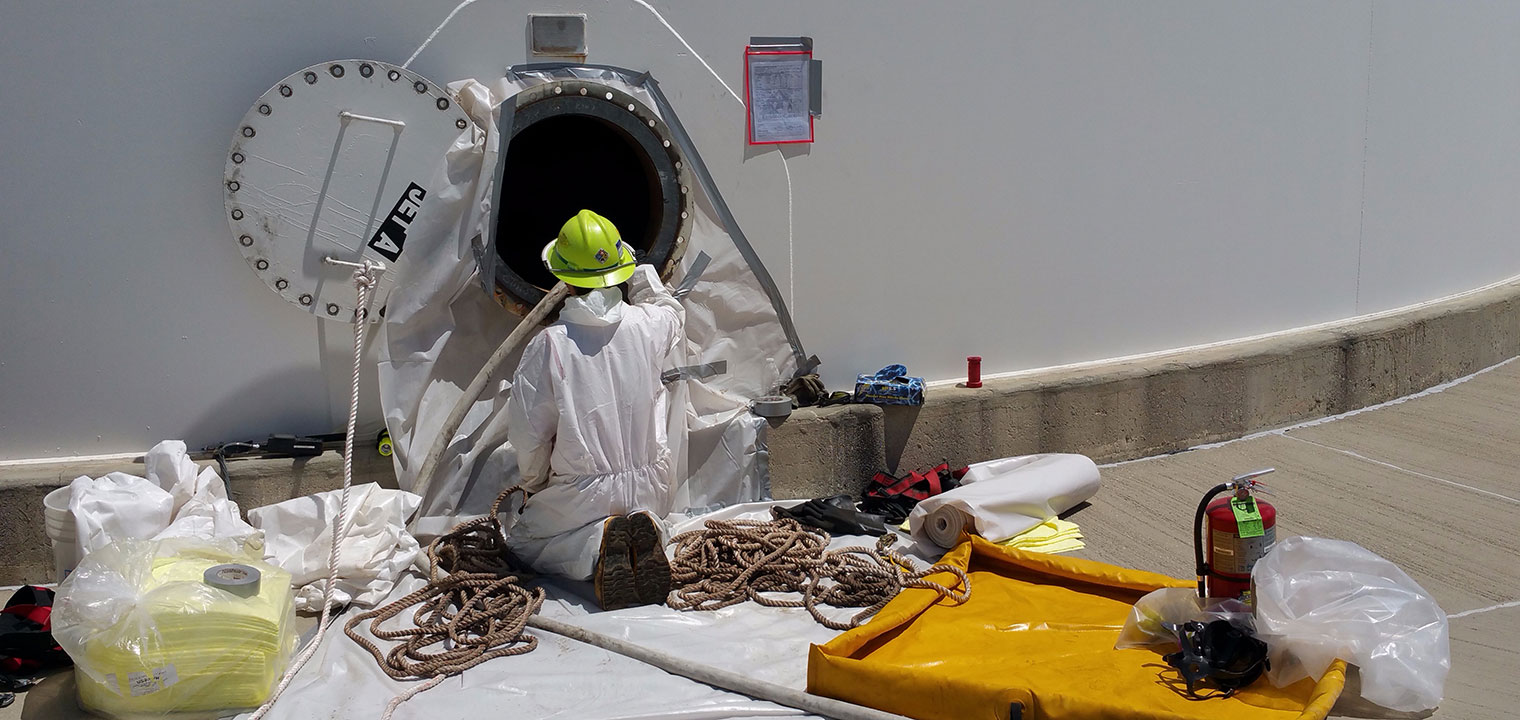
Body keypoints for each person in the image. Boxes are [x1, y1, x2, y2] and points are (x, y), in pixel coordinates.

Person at [505, 209, 683, 610]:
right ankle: (650, 529)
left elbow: (528, 434)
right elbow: (672, 311)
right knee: (646, 516)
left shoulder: (550, 345)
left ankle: (596, 548)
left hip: (583, 491)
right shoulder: (649, 325)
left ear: (565, 279)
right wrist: (639, 271)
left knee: (523, 544)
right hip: (651, 484)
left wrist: (534, 487)